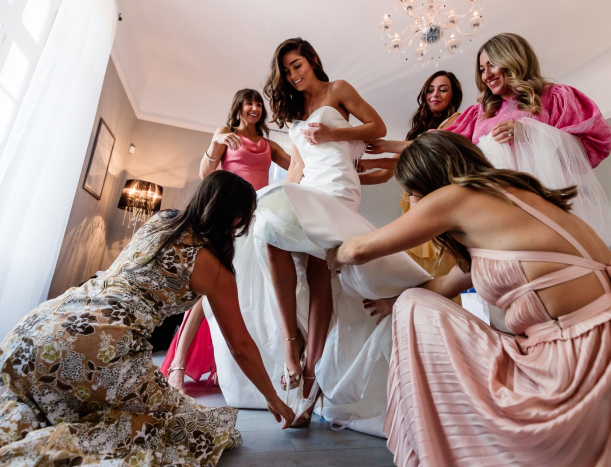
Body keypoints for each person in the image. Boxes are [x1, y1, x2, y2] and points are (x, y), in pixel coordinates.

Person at [326, 131, 611, 466]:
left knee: (413, 306)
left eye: (411, 190)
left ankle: (448, 440)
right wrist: (390, 303)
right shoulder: (519, 201)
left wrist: (334, 253)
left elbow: (360, 250)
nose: (412, 200)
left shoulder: (453, 198)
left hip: (578, 352)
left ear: (430, 181)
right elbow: (445, 286)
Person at [203, 38, 429, 432]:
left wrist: (332, 135)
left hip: (339, 187)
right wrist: (283, 194)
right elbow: (297, 170)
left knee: (319, 272)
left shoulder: (337, 89)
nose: (294, 75)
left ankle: (310, 376)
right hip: (310, 184)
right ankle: (293, 343)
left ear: (312, 60)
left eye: (297, 65)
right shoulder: (294, 115)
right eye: (288, 71)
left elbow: (376, 126)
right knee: (271, 230)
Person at [0, 171, 295, 465]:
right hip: (102, 344)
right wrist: (273, 397)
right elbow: (240, 345)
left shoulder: (163, 219)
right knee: (199, 430)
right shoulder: (216, 269)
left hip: (38, 325)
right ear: (236, 218)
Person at [363, 33, 611, 267]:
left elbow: (592, 145)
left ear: (514, 58)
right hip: (495, 209)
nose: (487, 74)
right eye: (482, 69)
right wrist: (389, 145)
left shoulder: (555, 96)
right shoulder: (480, 112)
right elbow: (443, 144)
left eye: (492, 64)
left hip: (546, 204)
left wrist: (530, 131)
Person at [161, 89, 290, 391]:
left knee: (247, 292)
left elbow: (298, 166)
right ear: (239, 107)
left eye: (259, 103)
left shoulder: (269, 144)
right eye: (250, 102)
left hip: (257, 218)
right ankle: (179, 364)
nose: (255, 107)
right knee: (210, 288)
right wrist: (215, 144)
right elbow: (206, 173)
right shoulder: (225, 134)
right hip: (227, 217)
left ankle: (226, 364)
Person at [360, 72, 463, 298]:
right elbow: (387, 174)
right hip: (411, 206)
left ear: (453, 97)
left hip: (436, 204)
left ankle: (444, 327)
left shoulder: (457, 120)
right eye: (430, 89)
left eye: (443, 89)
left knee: (439, 272)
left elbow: (429, 145)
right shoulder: (416, 133)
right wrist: (355, 172)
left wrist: (386, 145)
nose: (434, 94)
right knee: (411, 276)